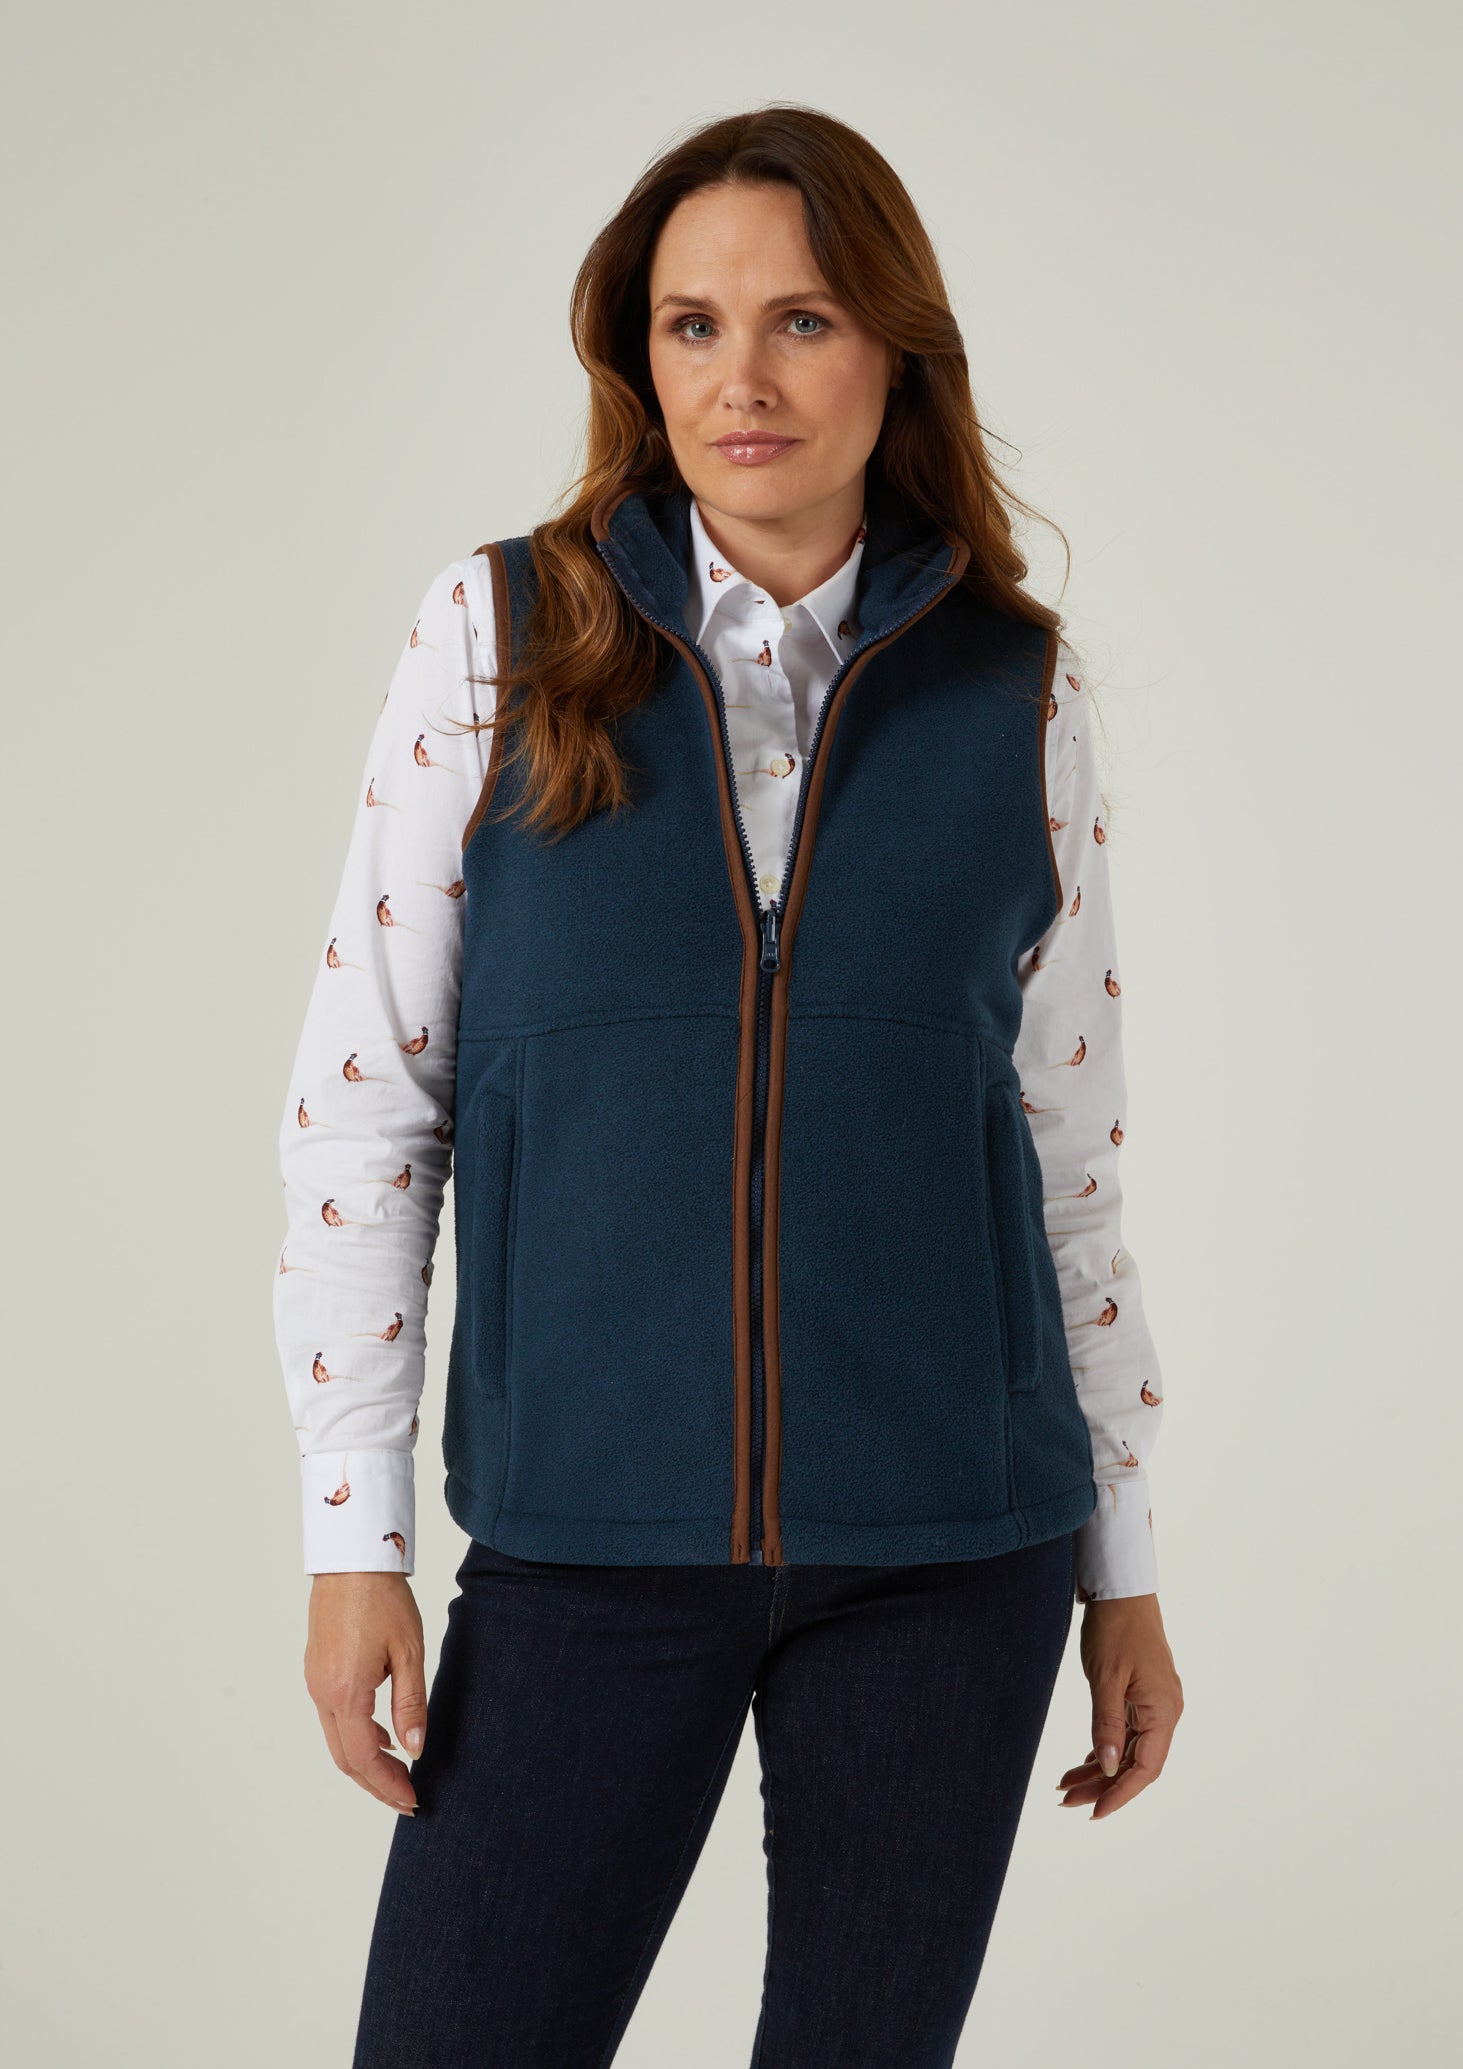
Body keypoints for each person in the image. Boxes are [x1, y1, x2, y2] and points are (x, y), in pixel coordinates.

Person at [274, 103, 1184, 2069]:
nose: (741, 379)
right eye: (693, 326)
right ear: (640, 356)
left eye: (801, 321)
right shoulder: (499, 638)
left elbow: (1069, 1160)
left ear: (897, 355)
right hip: (587, 1543)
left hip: (954, 1554)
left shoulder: (1017, 689)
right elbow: (368, 1108)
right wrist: (356, 1539)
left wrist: (1123, 1567)